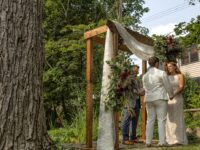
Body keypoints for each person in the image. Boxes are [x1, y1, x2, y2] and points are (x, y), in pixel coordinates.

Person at [142, 56, 173, 147]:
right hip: (160, 98)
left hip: (149, 99)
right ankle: (162, 141)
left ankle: (148, 141)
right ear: (156, 63)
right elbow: (167, 85)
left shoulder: (145, 76)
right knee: (161, 120)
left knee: (150, 120)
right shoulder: (161, 73)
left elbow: (145, 88)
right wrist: (170, 95)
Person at [165, 62, 188, 145]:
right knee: (169, 119)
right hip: (168, 99)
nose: (169, 68)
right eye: (168, 67)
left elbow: (181, 87)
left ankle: (179, 139)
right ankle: (170, 139)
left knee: (177, 118)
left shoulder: (180, 76)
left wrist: (173, 95)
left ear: (175, 67)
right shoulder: (166, 77)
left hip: (177, 98)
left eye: (170, 66)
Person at [122, 65, 144, 145]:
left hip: (137, 101)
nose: (137, 71)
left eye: (137, 69)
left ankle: (133, 137)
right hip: (129, 102)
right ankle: (125, 139)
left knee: (135, 121)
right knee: (126, 120)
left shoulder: (138, 79)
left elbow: (141, 89)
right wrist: (137, 91)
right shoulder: (127, 79)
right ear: (131, 70)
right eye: (136, 69)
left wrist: (142, 91)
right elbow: (124, 88)